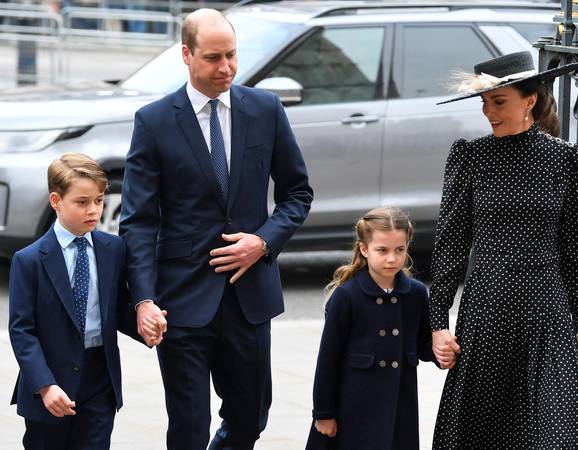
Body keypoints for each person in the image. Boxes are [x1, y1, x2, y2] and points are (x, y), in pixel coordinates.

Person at [119, 8, 313, 450]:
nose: (226, 67)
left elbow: (297, 194)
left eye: (231, 56)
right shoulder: (153, 121)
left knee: (250, 418)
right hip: (181, 299)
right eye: (213, 58)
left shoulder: (265, 109)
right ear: (186, 55)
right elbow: (138, 220)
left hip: (249, 296)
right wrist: (144, 298)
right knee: (187, 428)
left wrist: (262, 242)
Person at [430, 51, 578, 449]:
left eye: (499, 101)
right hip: (488, 310)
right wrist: (439, 322)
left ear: (530, 100)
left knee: (549, 433)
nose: (489, 113)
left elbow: (574, 251)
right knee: (484, 434)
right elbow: (450, 246)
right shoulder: (470, 157)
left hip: (547, 313)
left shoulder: (565, 159)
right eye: (485, 104)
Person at [8, 152, 140, 450]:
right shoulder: (29, 260)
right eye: (82, 202)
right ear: (56, 201)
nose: (93, 209)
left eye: (99, 200)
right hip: (50, 381)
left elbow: (117, 309)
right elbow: (21, 330)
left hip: (99, 379)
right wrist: (45, 384)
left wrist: (144, 324)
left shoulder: (113, 249)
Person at [305, 207, 440, 450]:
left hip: (400, 403)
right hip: (355, 405)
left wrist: (443, 351)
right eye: (382, 250)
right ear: (364, 249)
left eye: (399, 250)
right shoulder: (347, 296)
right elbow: (327, 359)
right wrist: (324, 413)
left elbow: (423, 346)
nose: (392, 258)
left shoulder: (416, 294)